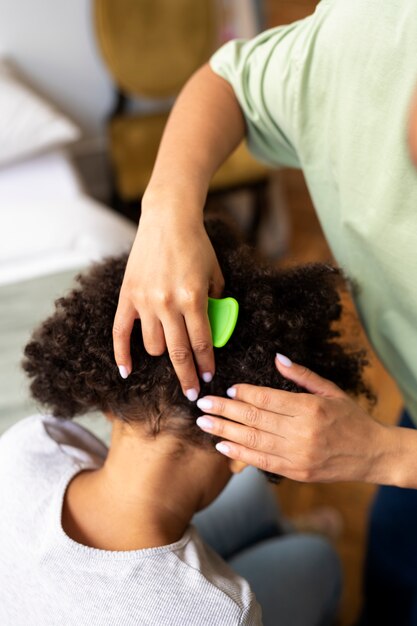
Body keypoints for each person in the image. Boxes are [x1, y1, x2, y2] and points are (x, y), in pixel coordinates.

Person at [112, 1, 417, 624]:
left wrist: (390, 457)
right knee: (391, 553)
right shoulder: (372, 28)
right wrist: (167, 206)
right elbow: (231, 82)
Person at [0, 217, 367, 626]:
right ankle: (286, 540)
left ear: (108, 400)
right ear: (245, 451)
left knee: (254, 500)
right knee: (316, 562)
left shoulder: (30, 445)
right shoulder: (225, 612)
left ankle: (276, 532)